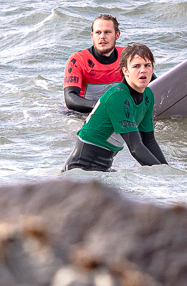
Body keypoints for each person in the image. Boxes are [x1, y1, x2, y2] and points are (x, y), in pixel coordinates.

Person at [63, 43, 169, 171]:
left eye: (147, 65)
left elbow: (149, 142)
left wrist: (168, 170)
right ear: (125, 71)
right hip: (80, 168)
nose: (143, 70)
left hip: (105, 168)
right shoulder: (118, 97)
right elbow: (135, 148)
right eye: (136, 66)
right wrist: (164, 174)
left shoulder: (148, 95)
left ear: (152, 68)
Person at [63, 14, 125, 114]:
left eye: (107, 32)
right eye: (98, 32)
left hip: (116, 111)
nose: (102, 37)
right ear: (92, 36)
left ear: (117, 35)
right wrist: (104, 106)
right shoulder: (77, 60)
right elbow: (70, 99)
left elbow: (150, 84)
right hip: (81, 115)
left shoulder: (128, 56)